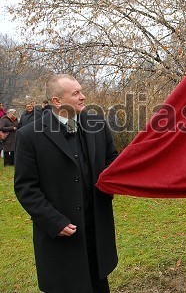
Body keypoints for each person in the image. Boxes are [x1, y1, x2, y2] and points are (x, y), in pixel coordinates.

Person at [14, 74, 119, 292]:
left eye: (81, 91)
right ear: (57, 101)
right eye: (76, 93)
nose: (83, 97)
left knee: (98, 282)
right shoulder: (29, 135)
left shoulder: (97, 124)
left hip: (97, 227)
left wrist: (114, 183)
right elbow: (26, 188)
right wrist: (54, 221)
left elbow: (112, 160)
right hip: (62, 234)